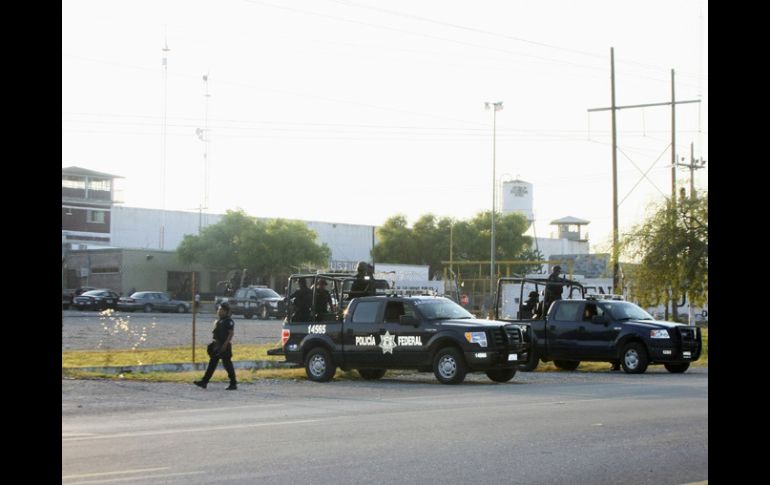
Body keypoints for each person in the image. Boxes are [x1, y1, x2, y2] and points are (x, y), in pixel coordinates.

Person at [194, 301, 237, 390]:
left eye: (221, 309)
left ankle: (233, 383)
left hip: (224, 345)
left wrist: (225, 345)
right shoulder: (219, 321)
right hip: (217, 345)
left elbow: (231, 334)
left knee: (227, 365)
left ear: (225, 311)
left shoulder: (229, 321)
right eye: (218, 309)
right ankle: (204, 382)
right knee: (212, 363)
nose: (219, 311)